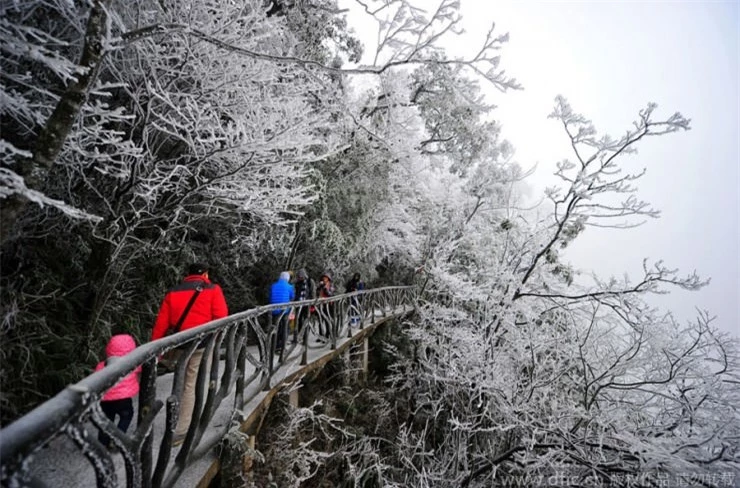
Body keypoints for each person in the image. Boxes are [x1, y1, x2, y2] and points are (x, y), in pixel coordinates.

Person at [151, 263, 228, 445]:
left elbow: (162, 323)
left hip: (180, 343)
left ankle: (178, 417)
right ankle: (181, 430)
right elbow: (221, 316)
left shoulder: (174, 291)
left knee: (181, 380)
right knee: (191, 385)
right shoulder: (213, 289)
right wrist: (216, 340)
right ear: (206, 274)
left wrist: (156, 349)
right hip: (201, 344)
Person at [95, 334, 141, 449]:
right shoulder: (133, 364)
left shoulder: (102, 365)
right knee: (126, 416)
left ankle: (102, 442)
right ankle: (117, 440)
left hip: (105, 400)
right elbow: (140, 370)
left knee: (107, 420)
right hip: (123, 400)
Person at [269, 271, 295, 352]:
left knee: (275, 327)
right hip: (284, 311)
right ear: (288, 278)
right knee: (284, 327)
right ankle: (282, 347)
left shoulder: (273, 285)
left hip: (273, 309)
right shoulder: (290, 287)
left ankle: (274, 345)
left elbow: (270, 297)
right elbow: (292, 297)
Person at [293, 269, 315, 341]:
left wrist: (312, 303)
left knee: (306, 319)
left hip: (307, 303)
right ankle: (299, 335)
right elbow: (295, 292)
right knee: (298, 319)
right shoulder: (297, 282)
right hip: (299, 303)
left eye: (301, 276)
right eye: (299, 277)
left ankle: (305, 335)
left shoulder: (310, 281)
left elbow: (312, 292)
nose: (300, 278)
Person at [316, 272, 335, 339]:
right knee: (320, 319)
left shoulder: (331, 285)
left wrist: (325, 288)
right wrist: (319, 288)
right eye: (323, 278)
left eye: (326, 278)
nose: (324, 279)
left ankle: (328, 334)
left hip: (328, 305)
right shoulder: (320, 285)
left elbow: (330, 294)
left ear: (328, 279)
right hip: (321, 304)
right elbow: (317, 293)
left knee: (327, 319)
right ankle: (320, 335)